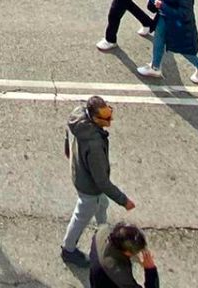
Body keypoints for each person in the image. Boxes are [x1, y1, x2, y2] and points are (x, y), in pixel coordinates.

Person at [60, 95, 133, 267]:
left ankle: (104, 232)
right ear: (93, 117)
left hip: (80, 172)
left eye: (110, 113)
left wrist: (69, 153)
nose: (110, 120)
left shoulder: (79, 117)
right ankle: (68, 249)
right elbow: (102, 182)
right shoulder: (94, 146)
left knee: (102, 204)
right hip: (89, 187)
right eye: (106, 118)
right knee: (81, 216)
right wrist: (124, 201)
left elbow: (68, 137)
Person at [92, 223, 159, 288]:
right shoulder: (121, 275)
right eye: (137, 251)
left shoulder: (103, 230)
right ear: (127, 252)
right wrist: (150, 270)